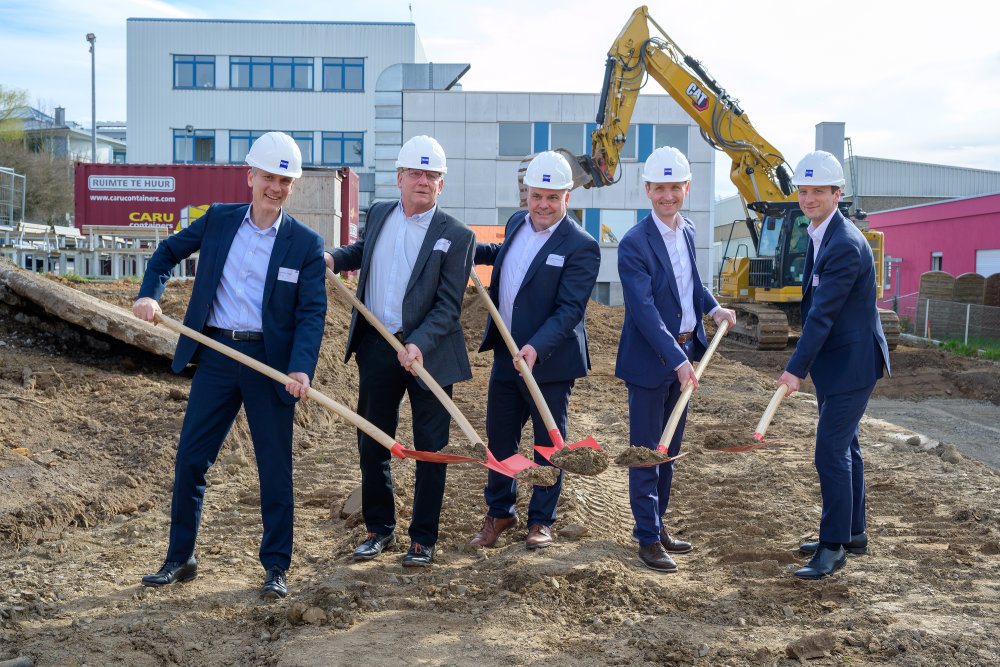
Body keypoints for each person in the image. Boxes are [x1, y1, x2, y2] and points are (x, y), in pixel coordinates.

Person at [132, 132, 327, 599]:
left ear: (293, 185)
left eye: (285, 180)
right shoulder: (219, 220)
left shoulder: (304, 243)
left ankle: (276, 566)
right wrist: (148, 294)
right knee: (191, 461)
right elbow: (165, 254)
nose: (275, 188)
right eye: (268, 177)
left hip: (269, 363)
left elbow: (311, 313)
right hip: (217, 353)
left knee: (274, 468)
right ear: (250, 176)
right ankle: (180, 558)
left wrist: (301, 368)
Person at [325, 135, 475, 567]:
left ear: (441, 184)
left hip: (431, 356)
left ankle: (422, 539)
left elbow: (449, 306)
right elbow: (363, 251)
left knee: (431, 449)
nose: (423, 181)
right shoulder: (379, 214)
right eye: (416, 173)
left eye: (432, 176)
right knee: (373, 441)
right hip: (377, 346)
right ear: (400, 178)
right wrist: (334, 258)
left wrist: (418, 343)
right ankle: (379, 529)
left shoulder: (457, 235)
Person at [468, 151, 600, 550]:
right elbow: (507, 257)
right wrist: (468, 248)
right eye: (536, 196)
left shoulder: (581, 246)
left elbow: (569, 310)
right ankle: (500, 512)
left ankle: (541, 520)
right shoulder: (515, 222)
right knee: (500, 440)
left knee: (548, 444)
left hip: (550, 363)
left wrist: (535, 347)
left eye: (552, 198)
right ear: (526, 193)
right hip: (506, 356)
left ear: (567, 198)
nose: (543, 205)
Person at [615, 146, 736, 573]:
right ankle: (647, 539)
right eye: (659, 188)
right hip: (652, 362)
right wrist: (677, 361)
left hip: (687, 350)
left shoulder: (686, 231)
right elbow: (644, 311)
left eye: (675, 187)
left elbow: (691, 285)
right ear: (647, 189)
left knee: (670, 448)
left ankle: (657, 522)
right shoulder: (633, 244)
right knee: (648, 449)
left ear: (688, 187)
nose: (668, 195)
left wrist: (714, 307)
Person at [776, 150, 889, 579]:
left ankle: (832, 546)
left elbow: (822, 315)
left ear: (836, 194)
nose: (808, 199)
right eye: (803, 191)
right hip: (838, 363)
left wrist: (794, 368)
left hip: (852, 365)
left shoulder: (843, 243)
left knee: (830, 453)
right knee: (847, 449)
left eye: (817, 191)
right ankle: (852, 533)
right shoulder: (821, 232)